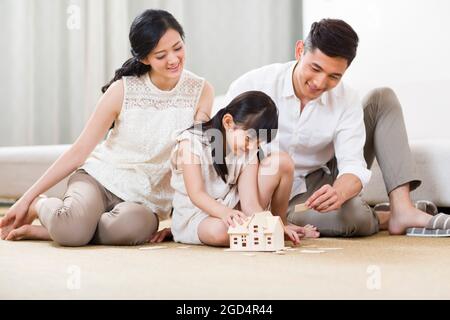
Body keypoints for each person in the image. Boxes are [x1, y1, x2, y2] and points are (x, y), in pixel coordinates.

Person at [0, 9, 214, 246]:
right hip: (100, 180)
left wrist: (183, 223)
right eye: (161, 55)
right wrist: (26, 198)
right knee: (72, 233)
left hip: (145, 202)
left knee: (124, 232)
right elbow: (79, 151)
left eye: (177, 47)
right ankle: (40, 206)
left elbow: (197, 156)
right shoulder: (122, 90)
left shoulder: (201, 90)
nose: (173, 60)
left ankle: (64, 228)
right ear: (144, 58)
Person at [224, 18, 449, 237]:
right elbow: (224, 151)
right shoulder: (253, 85)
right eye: (315, 68)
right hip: (273, 192)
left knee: (382, 98)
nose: (320, 83)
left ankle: (402, 208)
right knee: (354, 218)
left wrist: (339, 192)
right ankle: (384, 217)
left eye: (334, 76)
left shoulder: (346, 98)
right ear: (300, 50)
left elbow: (353, 164)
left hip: (323, 177)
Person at [170, 91, 319, 246]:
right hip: (197, 214)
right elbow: (197, 194)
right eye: (249, 139)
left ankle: (281, 222)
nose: (253, 147)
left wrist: (275, 226)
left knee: (283, 161)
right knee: (222, 232)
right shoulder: (190, 143)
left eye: (258, 143)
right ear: (228, 122)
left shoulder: (249, 151)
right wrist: (225, 213)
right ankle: (255, 229)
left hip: (233, 209)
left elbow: (250, 204)